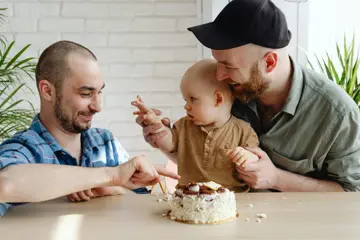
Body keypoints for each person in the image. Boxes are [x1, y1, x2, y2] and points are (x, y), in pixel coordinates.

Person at [136, 0, 360, 192]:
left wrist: (277, 178)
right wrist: (165, 140)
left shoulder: (337, 114)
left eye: (228, 66)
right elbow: (204, 164)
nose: (220, 75)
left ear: (269, 62)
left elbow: (352, 192)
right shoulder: (231, 92)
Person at [0, 40, 180, 216]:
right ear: (47, 91)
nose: (97, 106)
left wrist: (112, 189)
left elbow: (138, 205)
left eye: (98, 92)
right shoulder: (24, 148)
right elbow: (5, 183)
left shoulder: (104, 142)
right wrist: (112, 175)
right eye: (86, 94)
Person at [132, 59, 259, 192]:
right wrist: (156, 125)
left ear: (218, 99)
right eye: (185, 100)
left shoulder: (244, 131)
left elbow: (256, 162)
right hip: (190, 198)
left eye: (193, 99)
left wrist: (247, 157)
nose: (186, 106)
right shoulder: (184, 125)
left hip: (232, 201)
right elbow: (168, 143)